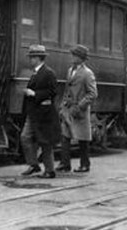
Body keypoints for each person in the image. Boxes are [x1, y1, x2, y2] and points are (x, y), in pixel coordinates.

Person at [20, 44, 60, 179]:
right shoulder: (36, 73)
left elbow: (53, 92)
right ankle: (34, 164)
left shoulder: (48, 73)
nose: (30, 60)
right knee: (25, 137)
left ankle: (50, 170)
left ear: (38, 58)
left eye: (32, 57)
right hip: (34, 113)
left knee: (45, 142)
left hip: (44, 113)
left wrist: (34, 93)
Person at [57, 45, 98, 173]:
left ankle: (85, 164)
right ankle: (65, 164)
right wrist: (62, 105)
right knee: (65, 136)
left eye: (75, 56)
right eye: (72, 55)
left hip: (80, 111)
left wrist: (80, 106)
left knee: (83, 138)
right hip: (68, 108)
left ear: (81, 58)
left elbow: (93, 94)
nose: (72, 58)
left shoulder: (87, 73)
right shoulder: (70, 70)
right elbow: (67, 89)